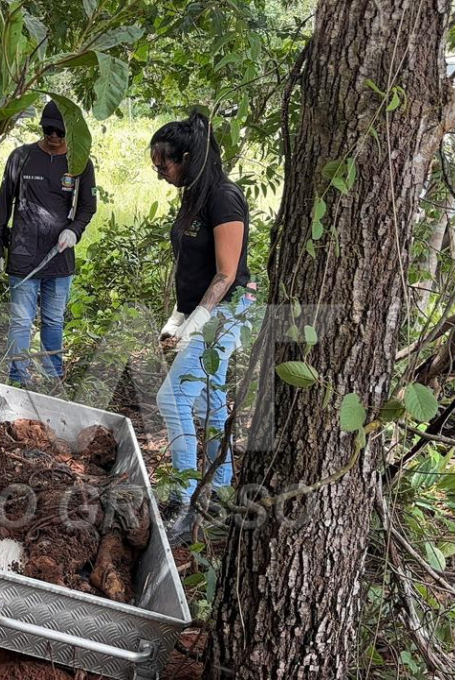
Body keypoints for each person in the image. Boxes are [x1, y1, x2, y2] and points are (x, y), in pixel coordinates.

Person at [151, 111, 253, 544]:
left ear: (189, 157)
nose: (160, 174)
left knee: (171, 398)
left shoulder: (224, 198)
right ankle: (222, 495)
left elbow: (227, 274)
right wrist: (177, 316)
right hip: (202, 312)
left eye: (164, 165)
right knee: (208, 404)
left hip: (226, 311)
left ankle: (184, 500)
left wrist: (197, 322)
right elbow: (192, 267)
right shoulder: (192, 195)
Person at [0, 100, 97, 388]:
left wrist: (75, 230)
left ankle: (52, 381)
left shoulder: (79, 162)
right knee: (21, 323)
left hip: (59, 258)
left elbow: (88, 206)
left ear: (69, 133)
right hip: (23, 256)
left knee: (53, 321)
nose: (54, 137)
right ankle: (18, 381)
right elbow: (2, 205)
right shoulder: (21, 157)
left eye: (60, 133)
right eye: (49, 131)